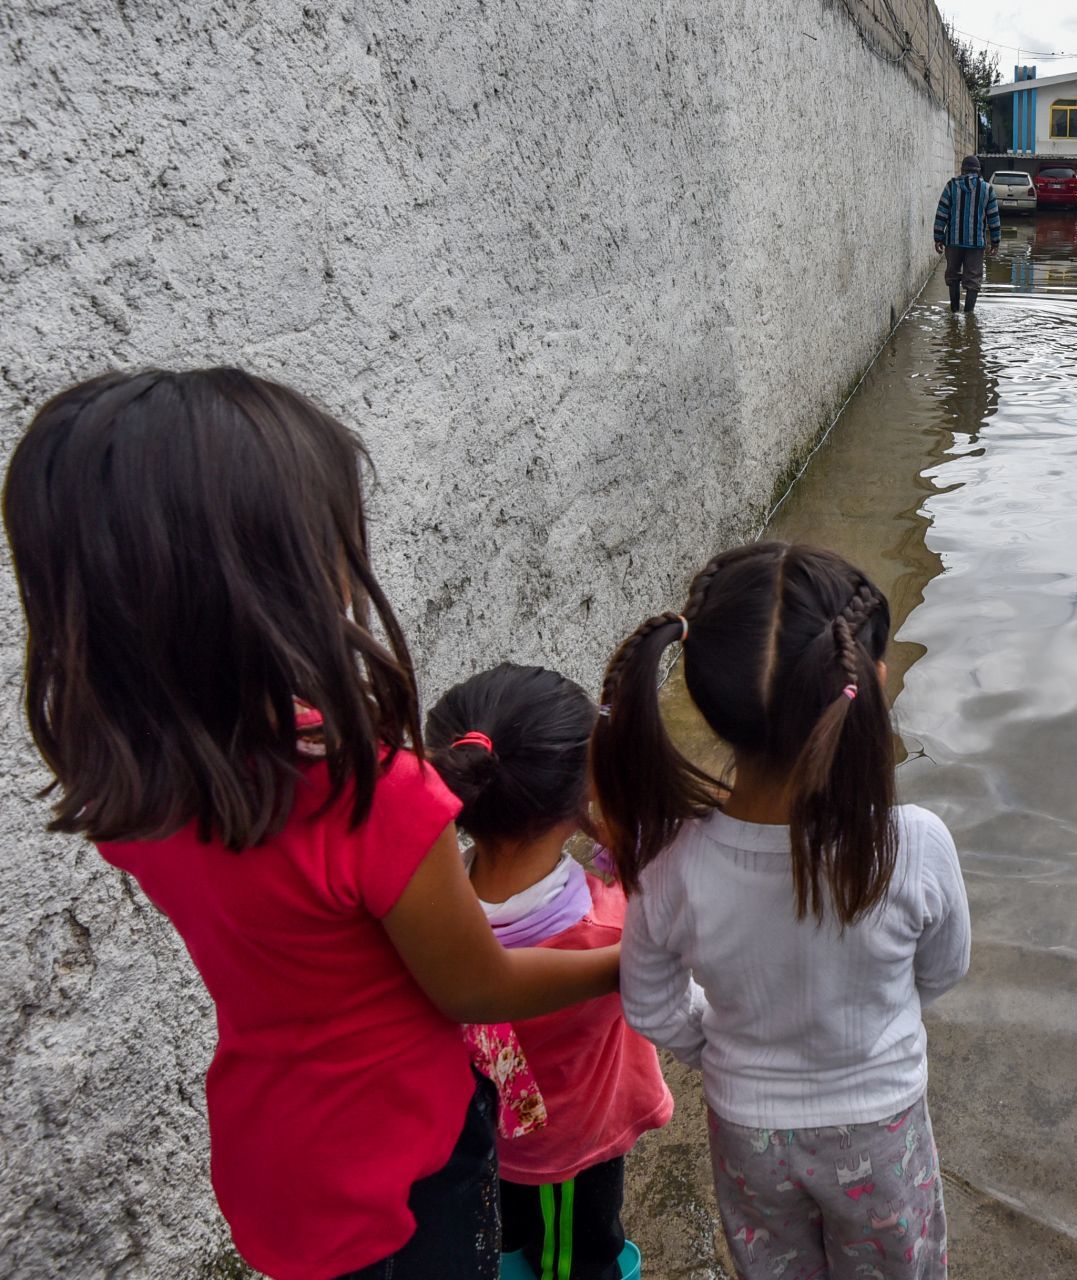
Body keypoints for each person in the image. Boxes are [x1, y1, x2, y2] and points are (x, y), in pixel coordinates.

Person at [2, 369, 621, 1280]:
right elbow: (474, 988)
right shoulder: (367, 794)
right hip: (408, 1167)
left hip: (273, 1157)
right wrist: (632, 959)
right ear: (269, 570)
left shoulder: (129, 792)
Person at [594, 542, 971, 1280]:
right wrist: (873, 1017)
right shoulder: (912, 844)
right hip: (881, 1123)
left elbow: (648, 1004)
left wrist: (723, 1046)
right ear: (872, 681)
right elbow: (942, 970)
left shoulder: (672, 864)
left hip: (747, 1129)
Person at [426, 664, 674, 1280]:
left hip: (493, 1135)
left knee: (510, 1229)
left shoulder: (431, 908)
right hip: (566, 1153)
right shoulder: (608, 928)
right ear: (583, 790)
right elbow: (671, 936)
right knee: (575, 1256)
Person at [934, 155, 1001, 312]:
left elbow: (941, 213)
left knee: (953, 276)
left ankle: (955, 311)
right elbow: (993, 217)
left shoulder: (951, 186)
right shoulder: (987, 189)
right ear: (978, 171)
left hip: (953, 241)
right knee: (973, 280)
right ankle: (969, 316)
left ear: (962, 170)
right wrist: (995, 241)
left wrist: (938, 237)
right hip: (976, 243)